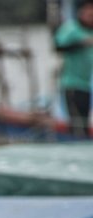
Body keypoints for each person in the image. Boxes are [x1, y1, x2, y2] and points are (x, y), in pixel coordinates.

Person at [56, 0, 93, 138]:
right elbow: (58, 47)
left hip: (86, 85)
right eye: (89, 14)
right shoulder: (72, 29)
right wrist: (81, 43)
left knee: (84, 121)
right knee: (77, 124)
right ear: (81, 13)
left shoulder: (90, 31)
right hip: (72, 84)